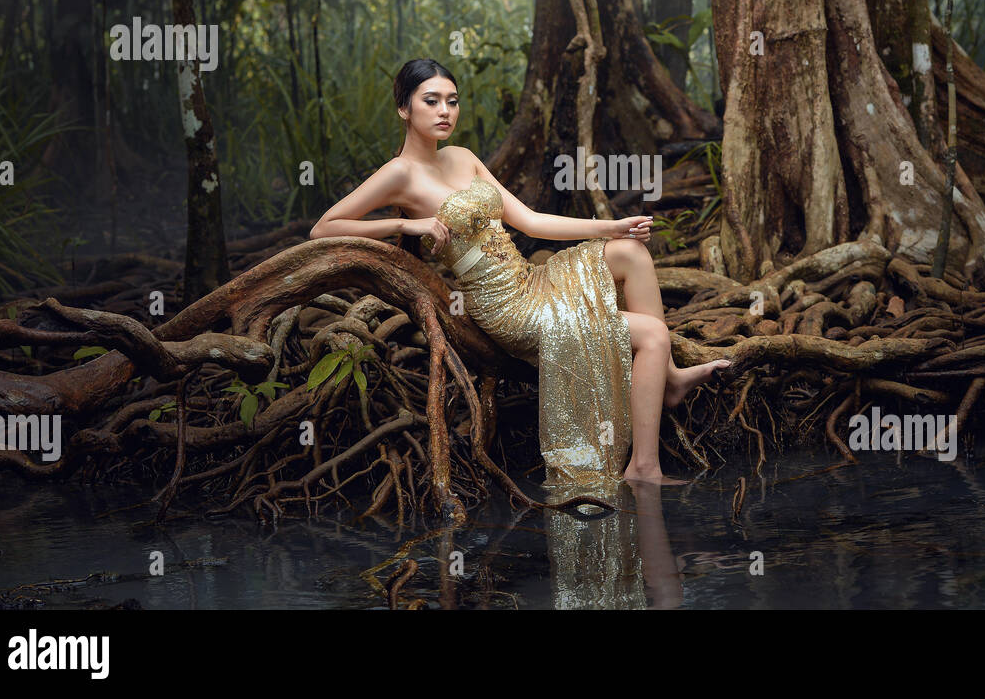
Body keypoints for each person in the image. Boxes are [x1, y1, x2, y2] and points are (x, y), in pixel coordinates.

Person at [310, 58, 732, 492]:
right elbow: (324, 227)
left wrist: (612, 227)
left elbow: (530, 221)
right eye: (431, 101)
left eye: (452, 102)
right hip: (505, 308)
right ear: (404, 108)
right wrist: (404, 224)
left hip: (531, 280)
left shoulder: (462, 157)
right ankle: (643, 468)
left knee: (631, 253)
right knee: (653, 335)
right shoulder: (399, 174)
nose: (444, 112)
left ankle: (672, 376)